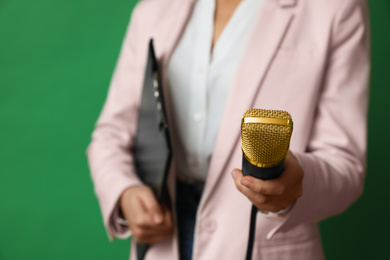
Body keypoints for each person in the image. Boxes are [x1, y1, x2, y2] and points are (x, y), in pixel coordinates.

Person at [87, 0, 370, 259]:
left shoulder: (336, 8)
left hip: (263, 244)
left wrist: (296, 184)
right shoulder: (152, 9)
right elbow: (111, 133)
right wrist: (125, 192)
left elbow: (345, 163)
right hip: (163, 237)